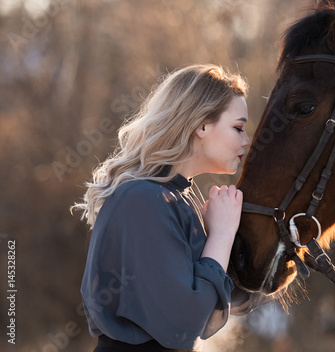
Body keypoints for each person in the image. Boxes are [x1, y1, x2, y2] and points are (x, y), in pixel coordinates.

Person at [73, 64, 275, 352]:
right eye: (239, 128)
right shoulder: (143, 200)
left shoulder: (176, 196)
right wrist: (221, 234)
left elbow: (221, 294)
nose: (246, 141)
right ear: (202, 125)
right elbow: (184, 321)